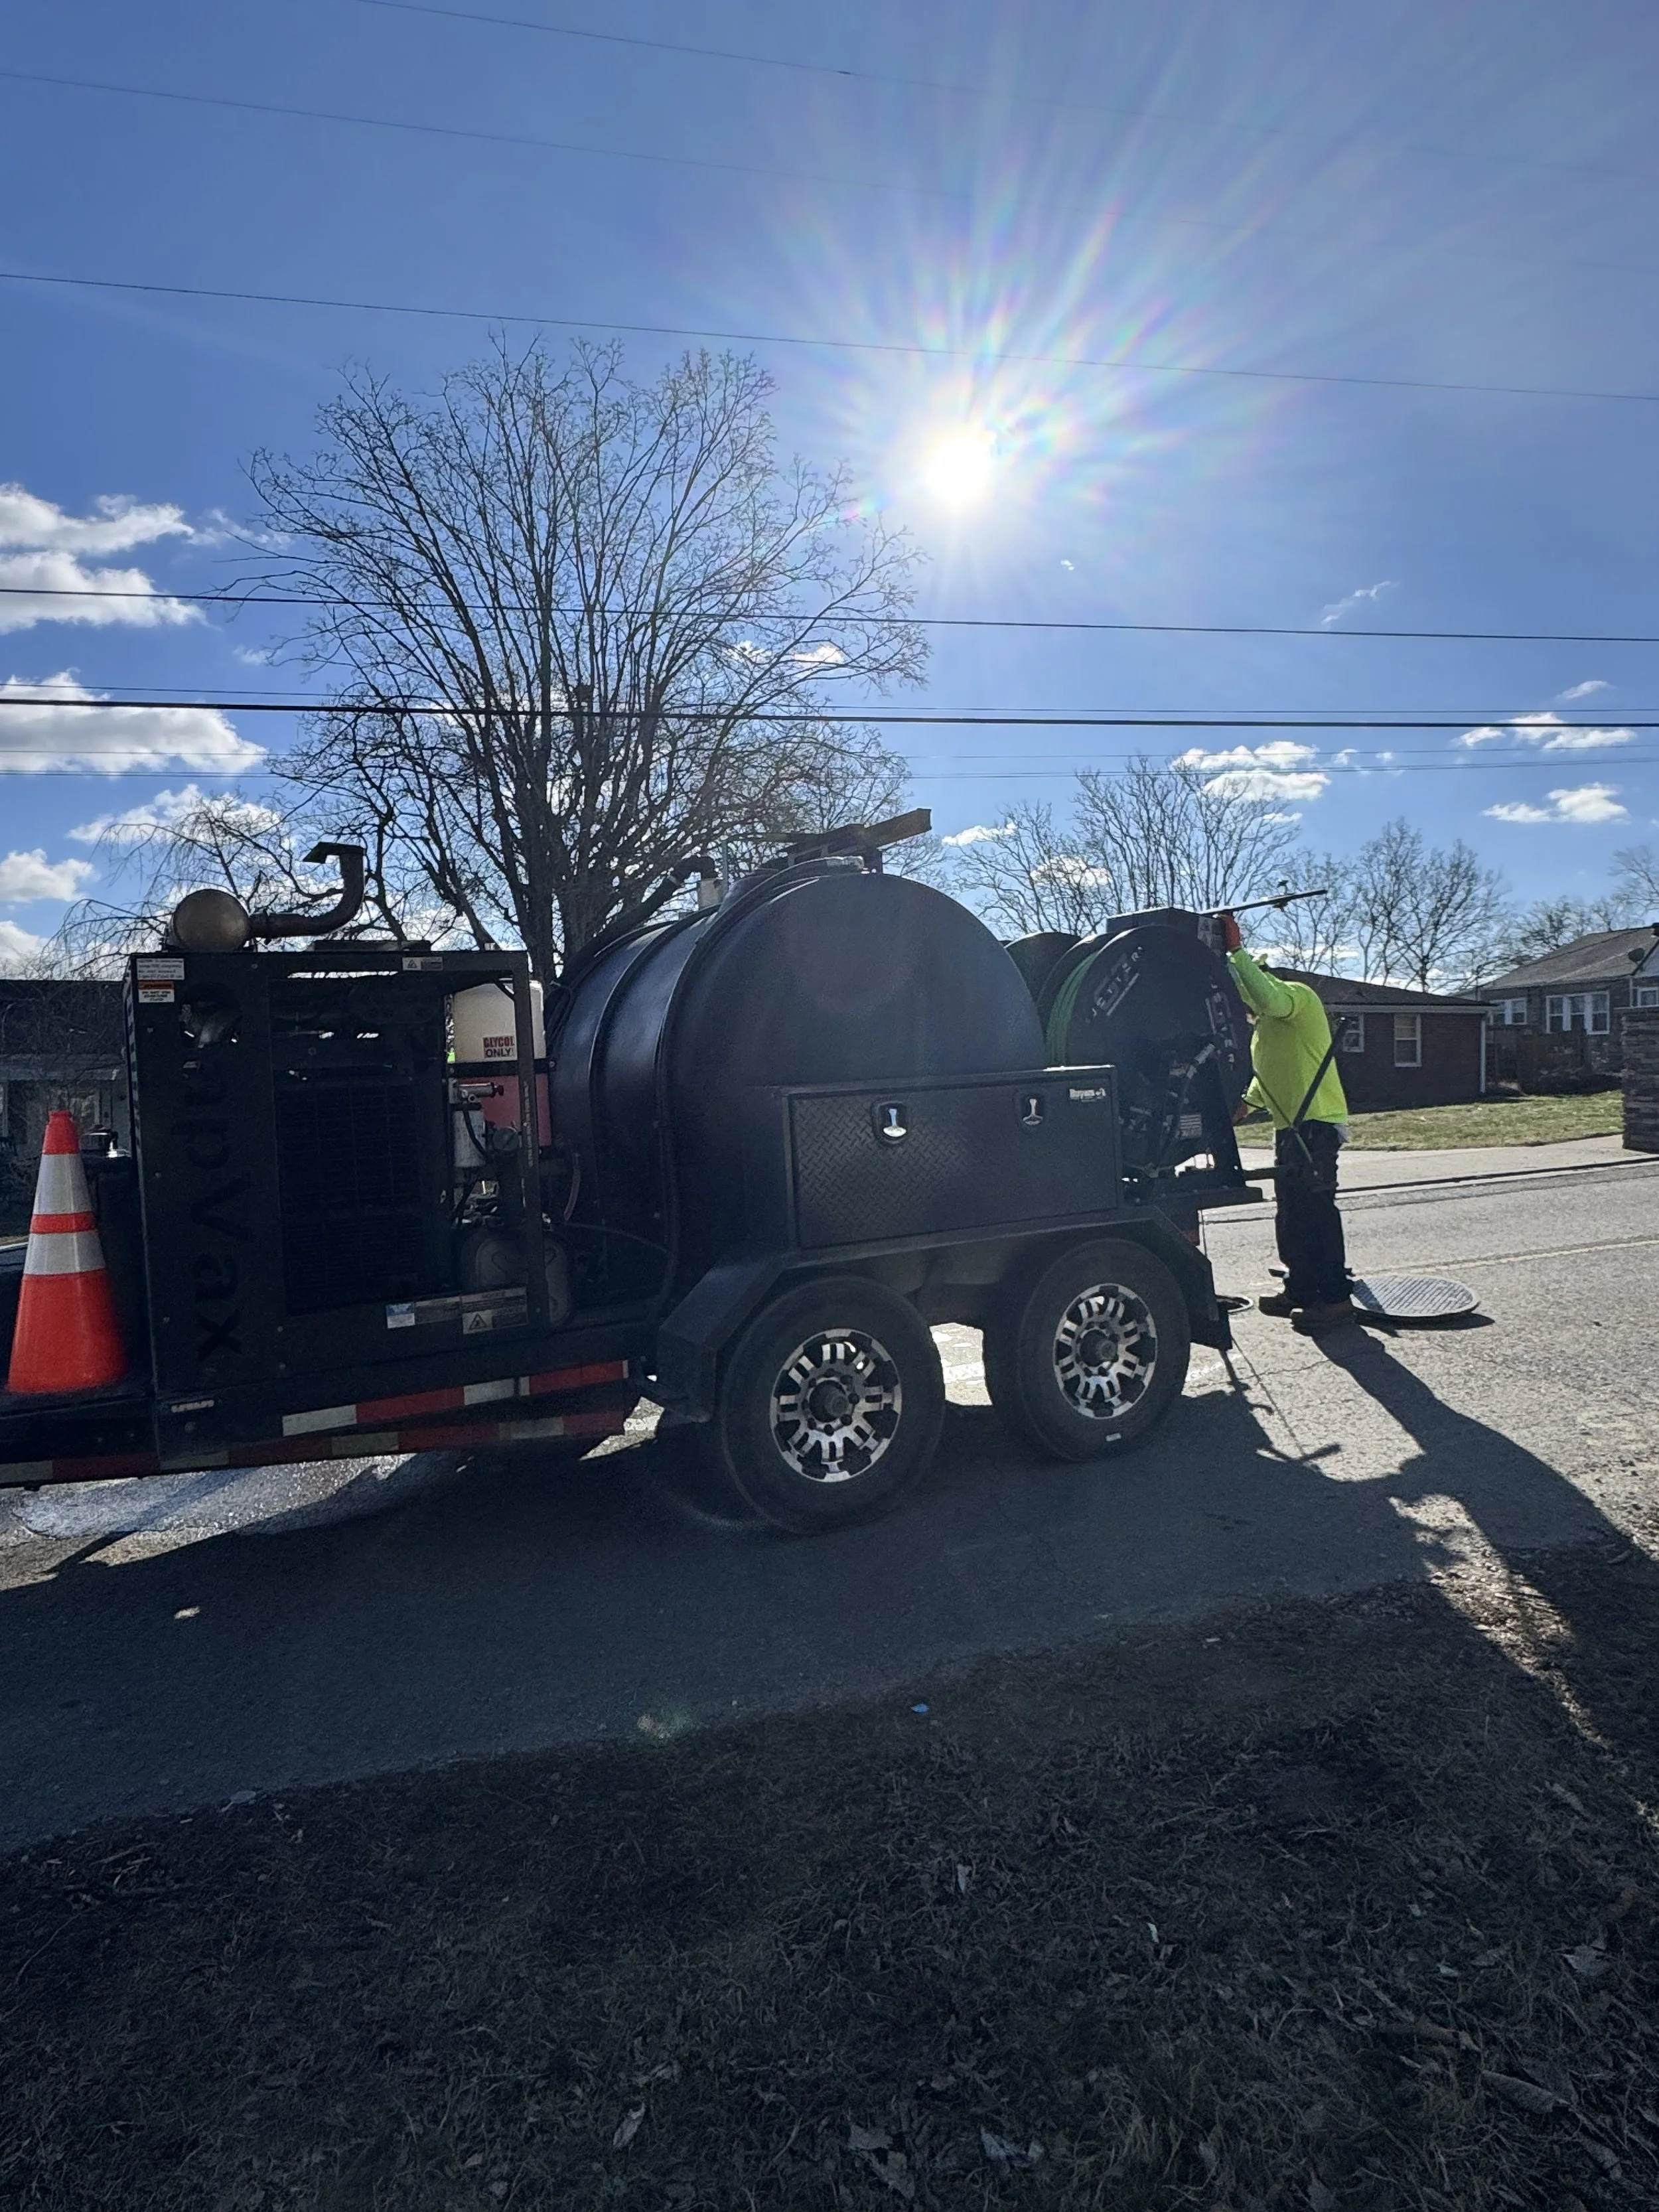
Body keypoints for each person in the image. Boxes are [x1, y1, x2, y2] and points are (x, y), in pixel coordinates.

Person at [1218, 913, 1357, 1332]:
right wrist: (1245, 1104)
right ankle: (1300, 1288)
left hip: (1316, 1124)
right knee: (1292, 1211)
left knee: (1315, 1210)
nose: (1244, 1005)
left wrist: (1235, 952)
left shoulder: (1296, 999)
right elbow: (1271, 1076)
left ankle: (1334, 1299)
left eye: (1243, 992)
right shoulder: (1265, 1031)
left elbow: (1269, 998)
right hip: (1291, 1128)